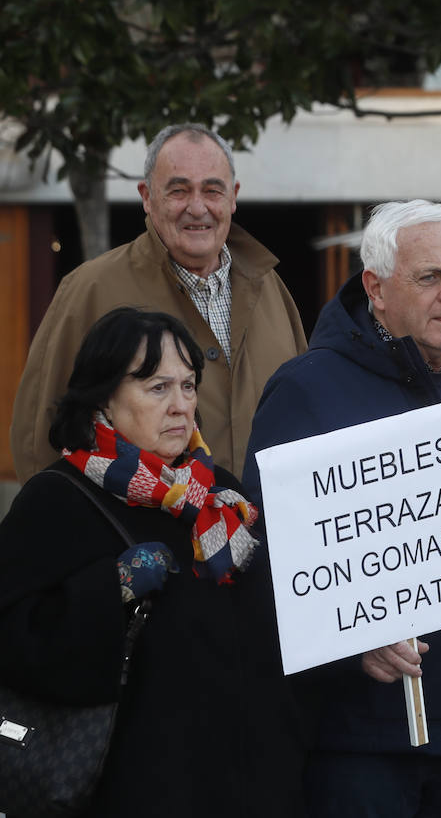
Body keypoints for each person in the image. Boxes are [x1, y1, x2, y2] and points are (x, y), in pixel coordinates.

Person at [242, 199, 441, 818]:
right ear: (376, 290)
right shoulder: (307, 390)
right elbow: (264, 559)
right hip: (364, 736)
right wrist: (347, 639)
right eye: (429, 277)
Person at [0, 307, 306, 816]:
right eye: (158, 388)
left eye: (188, 386)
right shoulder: (57, 499)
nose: (181, 407)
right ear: (103, 397)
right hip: (132, 787)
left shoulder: (221, 496)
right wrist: (111, 587)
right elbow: (12, 639)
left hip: (253, 786)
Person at [12, 122, 308, 481]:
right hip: (139, 532)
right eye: (178, 191)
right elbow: (38, 436)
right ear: (147, 197)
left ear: (234, 197)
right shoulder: (89, 290)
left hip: (261, 529)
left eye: (212, 191)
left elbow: (304, 412)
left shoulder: (271, 288)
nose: (197, 208)